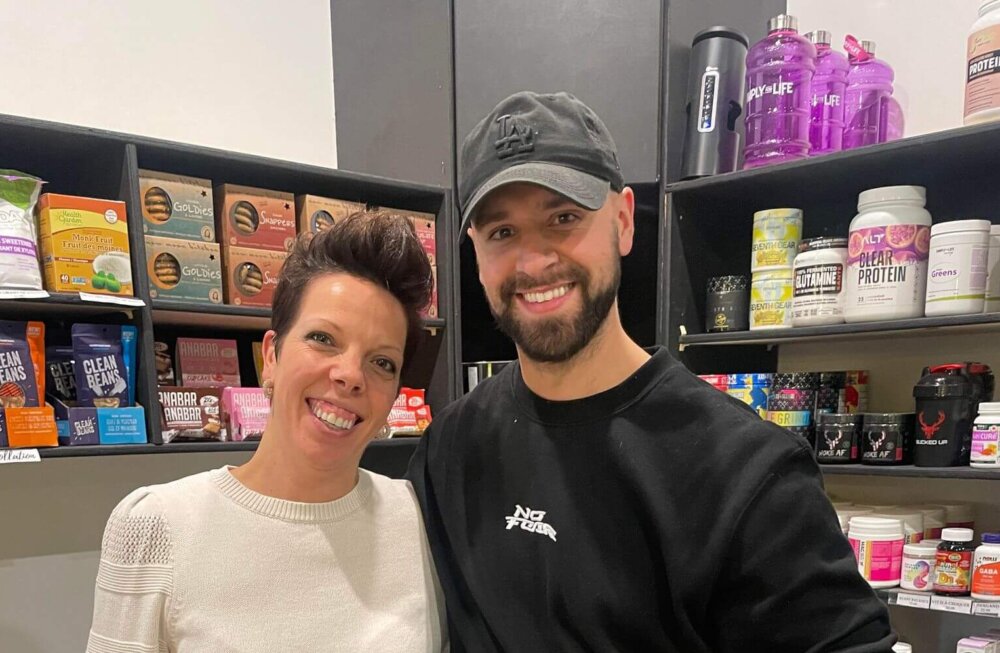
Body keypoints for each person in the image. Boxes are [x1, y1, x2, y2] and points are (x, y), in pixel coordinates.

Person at [407, 91, 895, 651]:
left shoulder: (746, 472)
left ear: (621, 222)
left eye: (563, 218)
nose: (534, 261)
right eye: (502, 232)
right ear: (474, 250)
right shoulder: (450, 444)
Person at [88, 212, 446, 652]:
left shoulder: (414, 517)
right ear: (271, 356)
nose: (351, 375)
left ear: (394, 393)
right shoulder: (157, 525)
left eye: (382, 362)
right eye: (323, 339)